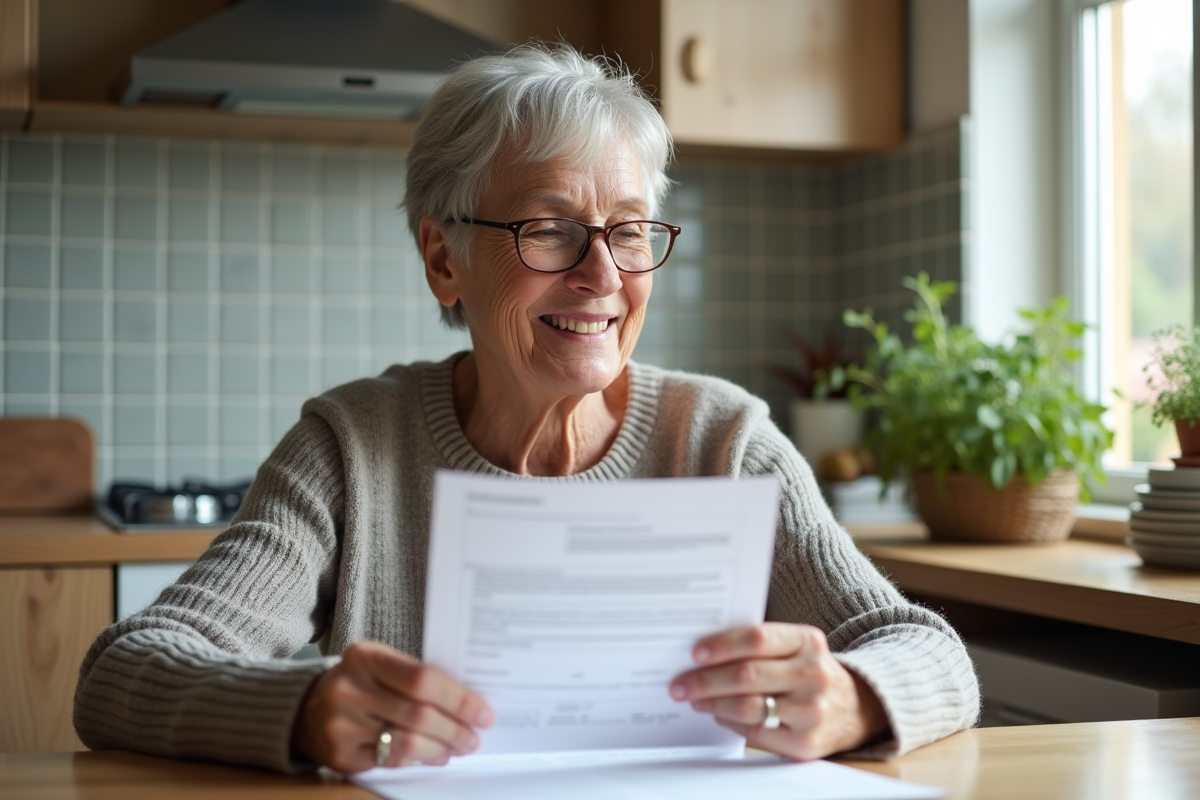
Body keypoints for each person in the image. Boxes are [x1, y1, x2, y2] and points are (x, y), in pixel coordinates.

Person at [74, 44, 979, 775]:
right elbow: (122, 671)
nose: (604, 275)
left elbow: (926, 651)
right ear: (443, 259)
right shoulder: (352, 449)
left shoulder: (724, 440)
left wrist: (852, 695)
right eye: (549, 228)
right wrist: (305, 711)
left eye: (628, 230)